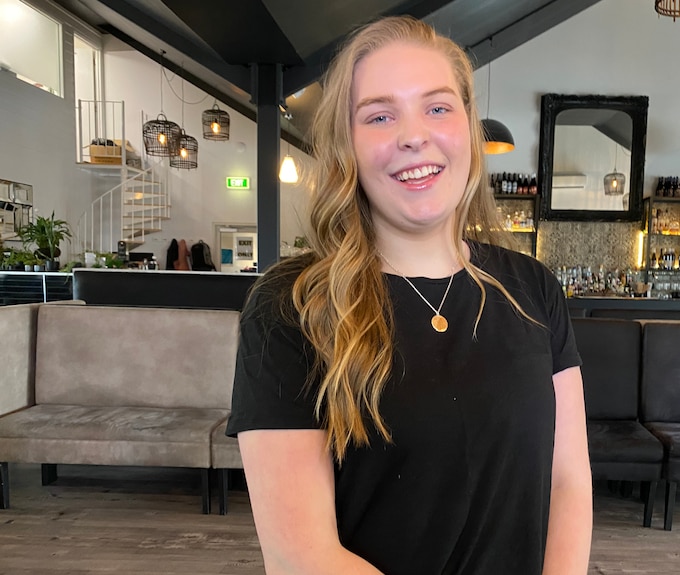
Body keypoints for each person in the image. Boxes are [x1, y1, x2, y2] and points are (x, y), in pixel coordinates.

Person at [227, 15, 592, 575]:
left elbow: (568, 482)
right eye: (379, 115)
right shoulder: (291, 305)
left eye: (438, 107)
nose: (413, 134)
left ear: (468, 126)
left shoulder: (532, 288)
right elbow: (300, 555)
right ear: (347, 146)